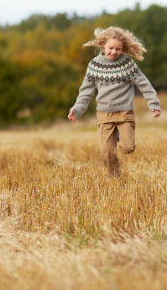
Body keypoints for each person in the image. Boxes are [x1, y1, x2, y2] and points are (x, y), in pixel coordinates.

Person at [68, 26, 161, 177]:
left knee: (128, 148)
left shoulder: (127, 64)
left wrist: (153, 103)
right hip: (104, 114)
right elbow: (85, 91)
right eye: (111, 48)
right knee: (106, 153)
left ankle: (120, 134)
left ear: (122, 49)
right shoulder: (94, 65)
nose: (114, 52)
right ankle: (115, 179)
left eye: (118, 49)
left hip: (125, 113)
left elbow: (144, 83)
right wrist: (77, 109)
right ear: (103, 44)